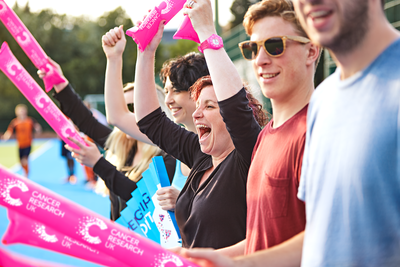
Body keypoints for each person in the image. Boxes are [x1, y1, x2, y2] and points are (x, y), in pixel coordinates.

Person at [182, 0, 400, 266]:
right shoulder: (327, 99)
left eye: (276, 46)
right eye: (252, 48)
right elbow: (324, 235)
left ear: (311, 52)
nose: (261, 60)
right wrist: (223, 260)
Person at [122, 8, 266, 247]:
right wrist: (145, 52)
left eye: (209, 106)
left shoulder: (247, 156)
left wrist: (207, 34)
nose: (197, 113)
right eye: (197, 105)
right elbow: (150, 120)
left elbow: (235, 107)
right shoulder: (201, 155)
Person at [38, 64, 176, 221]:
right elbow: (86, 121)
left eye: (132, 107)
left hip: (149, 243)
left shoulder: (169, 156)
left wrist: (98, 163)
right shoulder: (123, 144)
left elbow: (141, 200)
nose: (126, 115)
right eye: (122, 108)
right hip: (120, 238)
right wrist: (60, 83)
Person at [101, 26, 209, 211]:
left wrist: (183, 203)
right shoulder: (176, 141)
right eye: (166, 91)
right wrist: (114, 57)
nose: (168, 100)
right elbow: (117, 115)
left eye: (176, 90)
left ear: (199, 90)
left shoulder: (224, 144)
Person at [1, 104, 42, 177]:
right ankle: (25, 170)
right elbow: (9, 131)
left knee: (24, 159)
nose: (22, 112)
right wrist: (5, 137)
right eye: (20, 111)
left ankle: (26, 174)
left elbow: (37, 127)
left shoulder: (30, 120)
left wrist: (38, 129)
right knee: (20, 161)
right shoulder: (15, 122)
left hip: (28, 143)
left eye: (23, 110)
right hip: (20, 144)